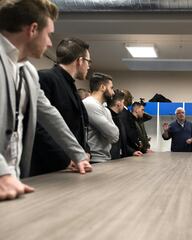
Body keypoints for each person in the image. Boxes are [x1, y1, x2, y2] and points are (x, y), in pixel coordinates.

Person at [0, 0, 91, 201]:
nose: (50, 43)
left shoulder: (29, 72)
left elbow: (50, 115)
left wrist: (77, 154)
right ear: (33, 29)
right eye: (48, 34)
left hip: (12, 181)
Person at [30, 38, 91, 176]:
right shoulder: (46, 78)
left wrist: (84, 152)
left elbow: (79, 126)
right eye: (88, 62)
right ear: (80, 61)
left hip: (73, 165)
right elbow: (39, 126)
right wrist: (65, 160)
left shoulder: (71, 85)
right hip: (48, 169)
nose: (88, 66)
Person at [83, 73, 119, 163]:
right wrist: (112, 133)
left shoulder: (105, 109)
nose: (113, 92)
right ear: (103, 87)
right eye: (111, 88)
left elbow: (115, 136)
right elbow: (113, 134)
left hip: (104, 158)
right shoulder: (90, 104)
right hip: (93, 159)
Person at [117, 90, 143, 157]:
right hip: (129, 151)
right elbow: (127, 134)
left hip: (131, 150)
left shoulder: (126, 112)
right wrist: (132, 150)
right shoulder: (124, 114)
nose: (131, 99)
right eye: (131, 97)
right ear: (126, 99)